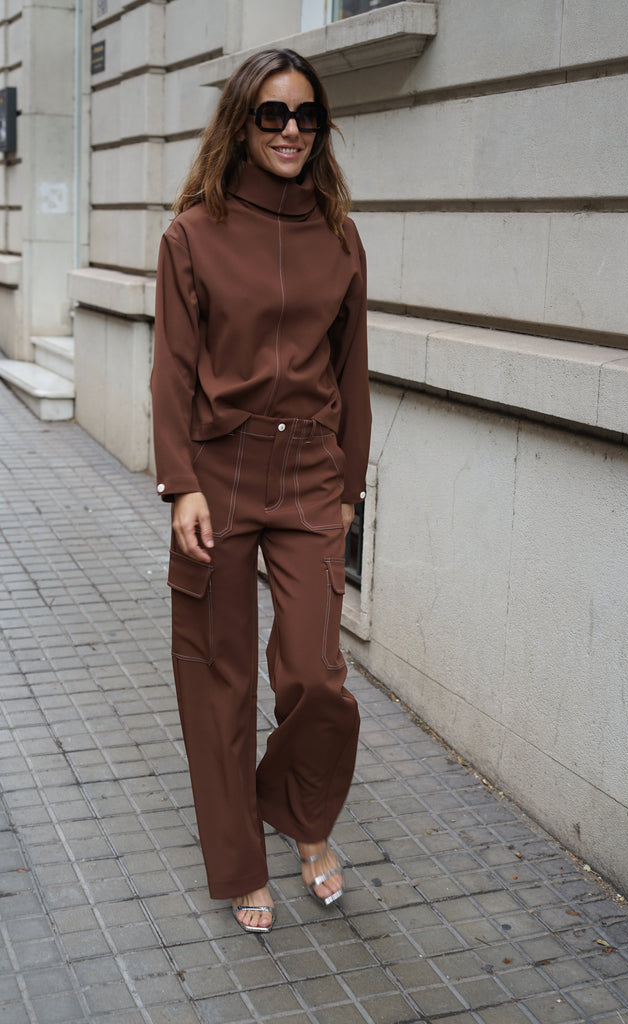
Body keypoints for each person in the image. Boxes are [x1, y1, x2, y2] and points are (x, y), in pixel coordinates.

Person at [150, 48, 371, 934]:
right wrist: (181, 486)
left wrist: (349, 489)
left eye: (306, 116)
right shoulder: (192, 234)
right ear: (242, 123)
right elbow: (172, 368)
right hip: (220, 472)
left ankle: (300, 814)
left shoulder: (340, 234)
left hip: (312, 470)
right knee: (220, 677)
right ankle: (242, 865)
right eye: (273, 114)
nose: (291, 131)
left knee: (318, 678)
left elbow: (352, 371)